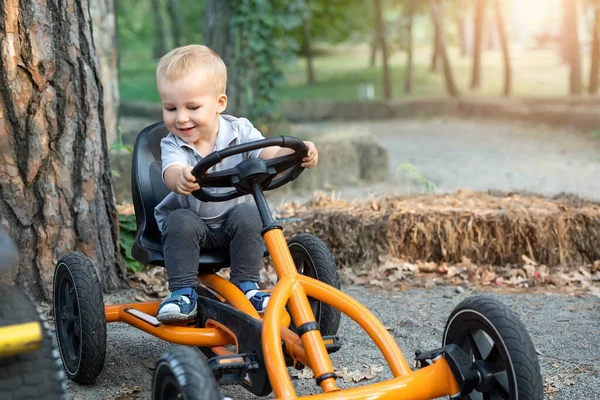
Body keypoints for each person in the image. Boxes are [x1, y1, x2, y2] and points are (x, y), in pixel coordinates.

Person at [153, 44, 318, 323]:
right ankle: (182, 293)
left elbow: (267, 154)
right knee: (180, 220)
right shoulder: (175, 143)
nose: (180, 117)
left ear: (219, 103)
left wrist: (297, 152)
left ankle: (247, 286)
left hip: (232, 225)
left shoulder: (240, 130)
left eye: (192, 107)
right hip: (193, 228)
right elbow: (171, 169)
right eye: (170, 108)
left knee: (249, 213)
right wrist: (179, 175)